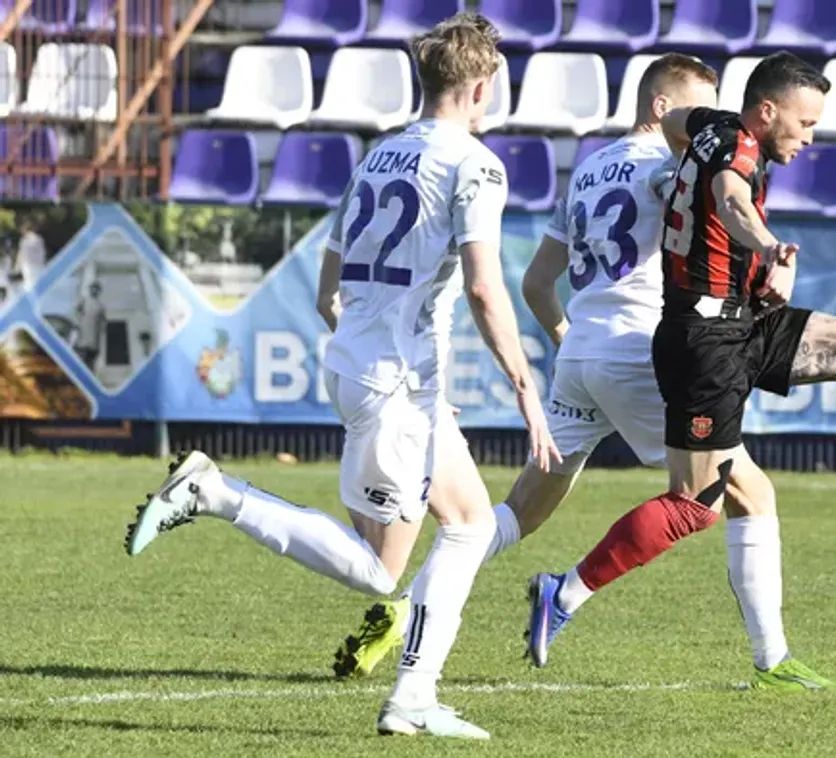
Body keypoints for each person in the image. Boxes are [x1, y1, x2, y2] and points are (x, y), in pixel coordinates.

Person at [334, 53, 834, 690]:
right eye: (702, 111)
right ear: (664, 107)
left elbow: (537, 283)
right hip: (641, 349)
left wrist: (572, 343)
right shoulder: (673, 166)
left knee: (514, 513)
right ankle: (772, 659)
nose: (714, 128)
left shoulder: (589, 171)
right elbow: (722, 215)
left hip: (580, 356)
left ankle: (408, 608)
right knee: (745, 493)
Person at [123, 14, 558, 740]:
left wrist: (381, 355)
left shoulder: (377, 157)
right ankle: (216, 493)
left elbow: (329, 287)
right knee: (381, 571)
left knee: (470, 522)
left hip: (374, 371)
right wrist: (524, 390)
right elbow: (486, 290)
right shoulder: (477, 164)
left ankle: (415, 694)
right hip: (395, 386)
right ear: (482, 87)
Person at [524, 52, 836, 674]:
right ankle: (564, 592)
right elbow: (731, 200)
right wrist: (769, 247)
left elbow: (675, 124)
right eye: (805, 123)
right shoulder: (737, 149)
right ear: (767, 111)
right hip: (702, 343)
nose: (810, 138)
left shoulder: (707, 125)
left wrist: (683, 171)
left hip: (743, 321)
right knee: (695, 505)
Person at [73, 281, 106, 369]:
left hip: (94, 342)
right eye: (93, 288)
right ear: (90, 289)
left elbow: (103, 321)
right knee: (80, 363)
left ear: (99, 291)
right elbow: (76, 312)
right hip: (82, 340)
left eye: (97, 289)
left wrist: (102, 329)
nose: (94, 290)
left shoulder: (101, 306)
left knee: (91, 365)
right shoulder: (84, 301)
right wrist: (77, 323)